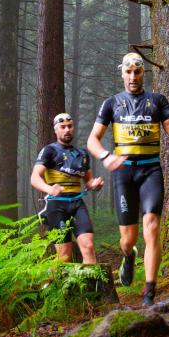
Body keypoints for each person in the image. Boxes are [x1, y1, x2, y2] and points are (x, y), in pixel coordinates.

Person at [87, 52, 169, 305]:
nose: (132, 77)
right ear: (122, 73)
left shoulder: (157, 101)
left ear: (143, 73)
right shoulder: (112, 103)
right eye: (128, 72)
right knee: (127, 240)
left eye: (137, 72)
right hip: (123, 174)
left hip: (150, 171)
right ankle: (128, 256)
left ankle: (150, 291)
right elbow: (92, 140)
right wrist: (106, 157)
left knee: (151, 226)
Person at [31, 112, 104, 264]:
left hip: (77, 204)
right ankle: (51, 285)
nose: (67, 130)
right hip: (57, 205)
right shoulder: (49, 150)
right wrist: (49, 189)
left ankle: (90, 286)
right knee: (64, 256)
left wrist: (94, 185)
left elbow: (88, 181)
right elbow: (34, 178)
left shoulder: (82, 154)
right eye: (63, 127)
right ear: (56, 130)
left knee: (89, 246)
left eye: (70, 126)